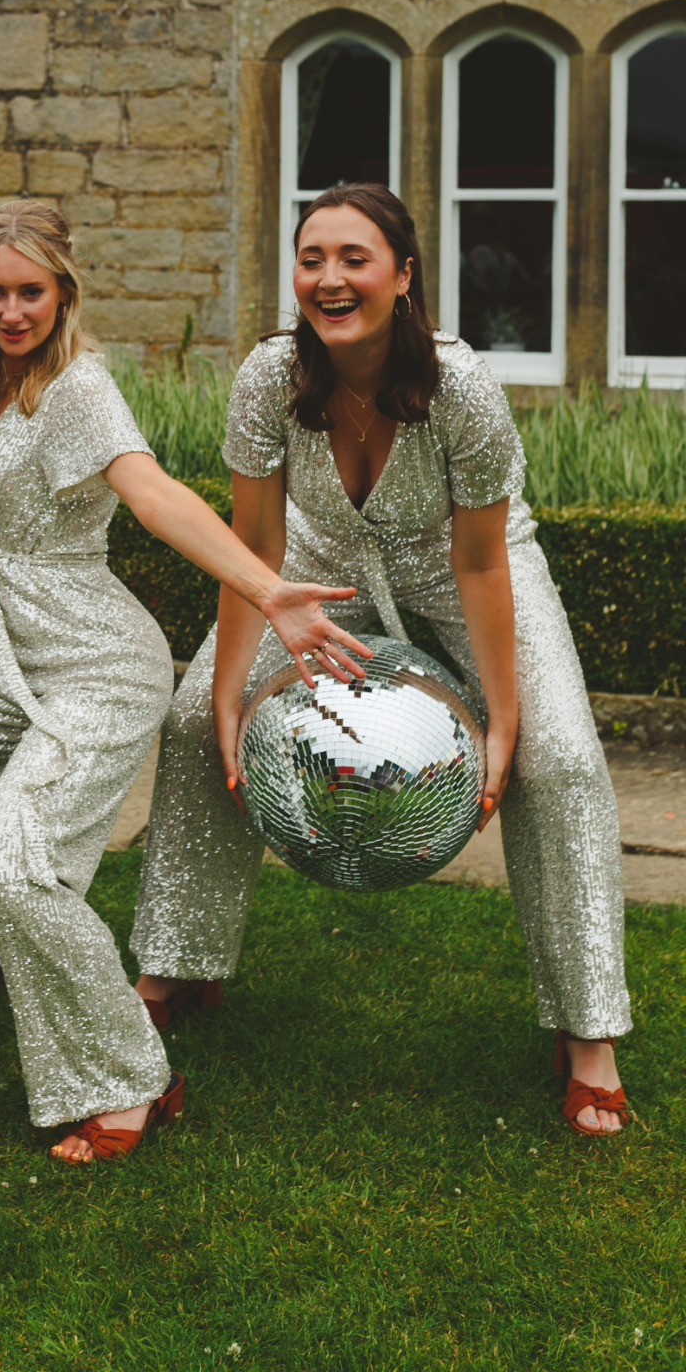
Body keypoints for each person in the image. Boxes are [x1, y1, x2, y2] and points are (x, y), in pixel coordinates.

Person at [131, 183, 631, 1137]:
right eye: (312, 258)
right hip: (318, 564)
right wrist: (232, 694)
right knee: (195, 716)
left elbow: (483, 563)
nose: (329, 278)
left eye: (353, 258)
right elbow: (256, 547)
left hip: (465, 565)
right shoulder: (268, 376)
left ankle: (589, 1030)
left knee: (561, 762)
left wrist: (505, 725)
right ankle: (177, 966)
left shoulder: (460, 385)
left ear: (402, 277)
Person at [0, 200, 369, 1165]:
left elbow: (153, 491)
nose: (10, 308)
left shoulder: (78, 389)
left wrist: (263, 586)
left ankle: (131, 1079)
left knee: (16, 865)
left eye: (29, 291)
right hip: (32, 660)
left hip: (99, 670)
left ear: (63, 292)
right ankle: (0, 946)